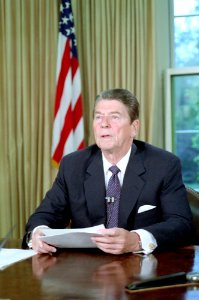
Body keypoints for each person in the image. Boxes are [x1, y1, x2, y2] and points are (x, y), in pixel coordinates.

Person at [22, 88, 193, 255]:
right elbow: (45, 215)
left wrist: (136, 239)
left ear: (134, 127)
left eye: (114, 117)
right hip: (84, 271)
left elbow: (181, 224)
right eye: (98, 117)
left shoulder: (163, 165)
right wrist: (38, 233)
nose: (104, 124)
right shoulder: (73, 165)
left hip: (141, 268)